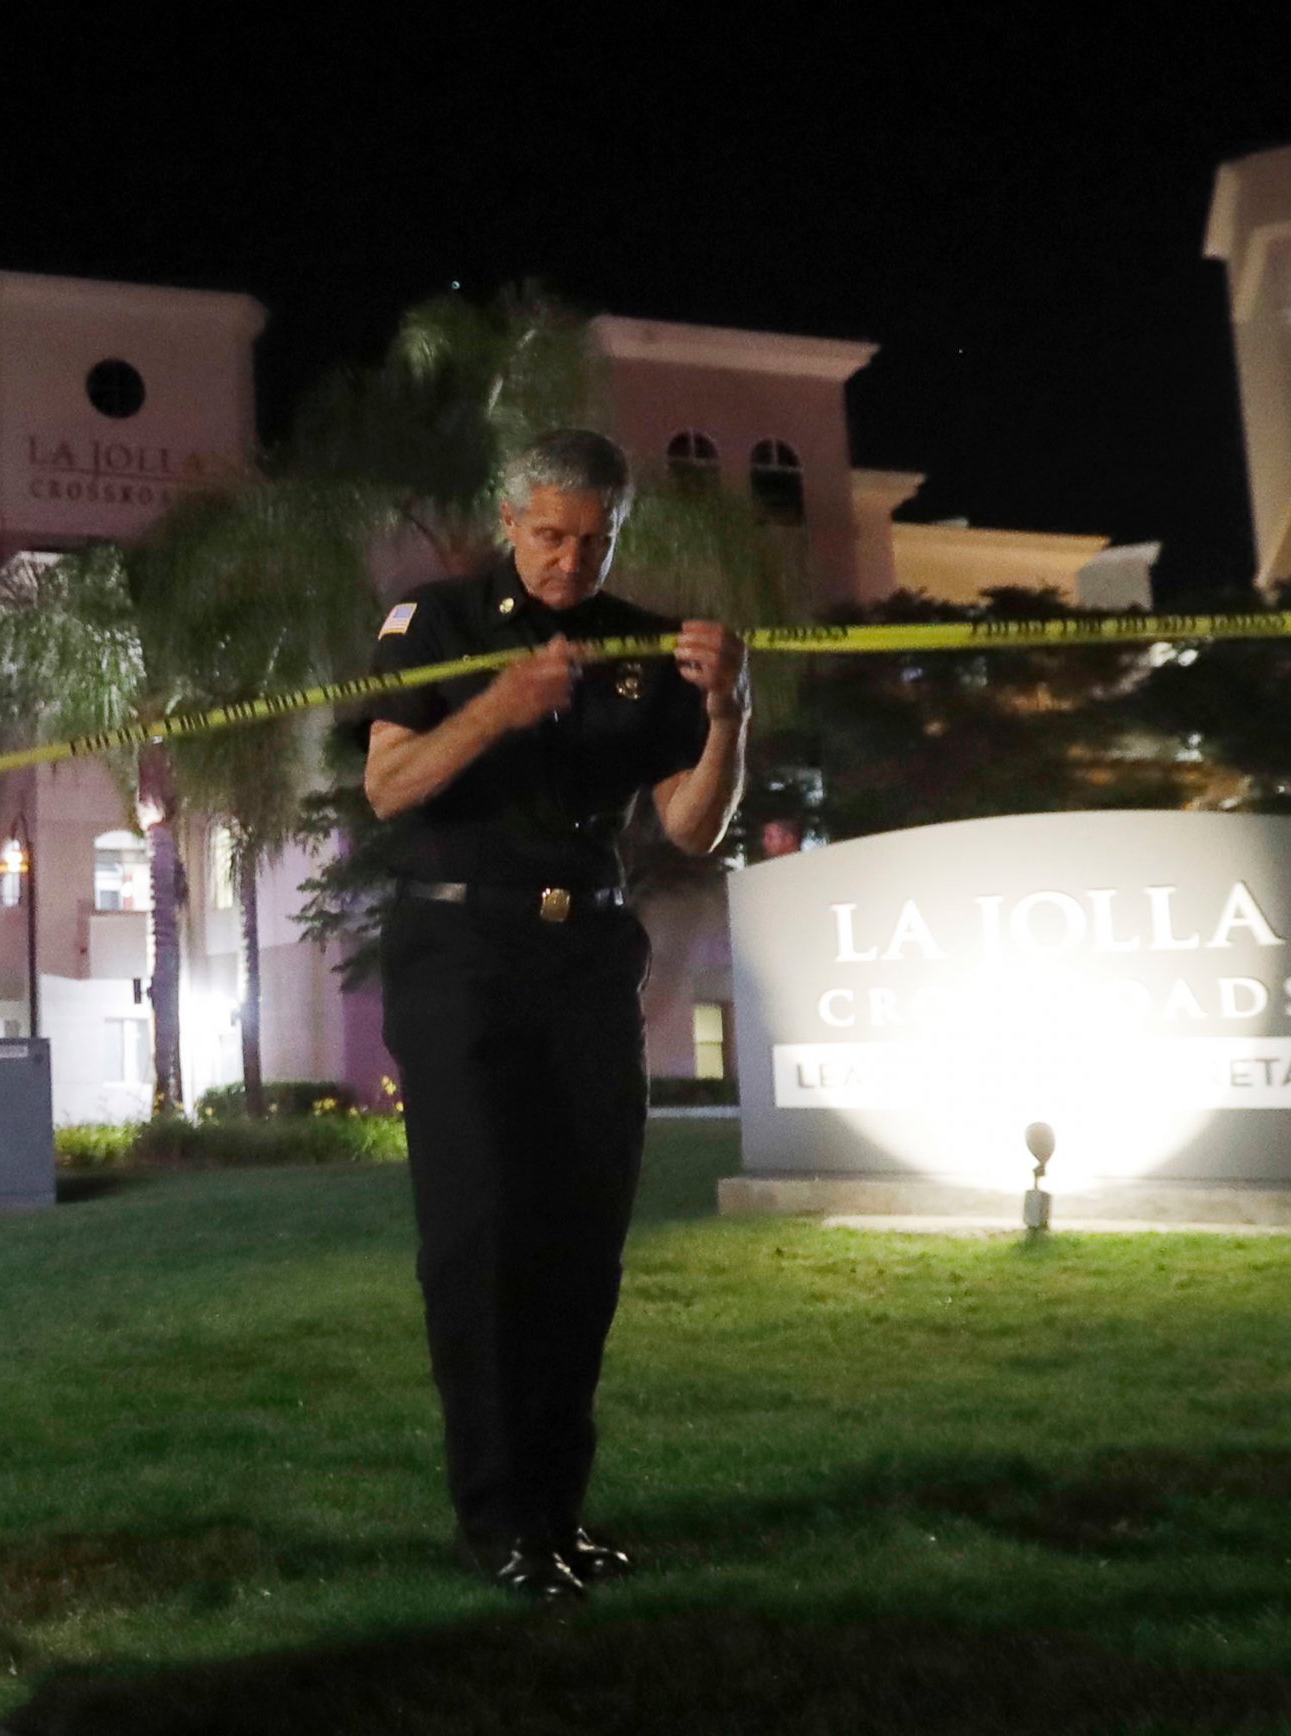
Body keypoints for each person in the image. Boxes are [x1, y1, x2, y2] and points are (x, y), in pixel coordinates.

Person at [361, 429, 749, 1604]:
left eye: (595, 538)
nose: (572, 559)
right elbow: (387, 784)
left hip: (585, 950)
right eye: (551, 535)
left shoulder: (644, 642)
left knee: (582, 1240)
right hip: (460, 950)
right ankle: (496, 1520)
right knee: (480, 1240)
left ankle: (560, 1511)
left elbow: (692, 827)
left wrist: (732, 709)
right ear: (509, 520)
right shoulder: (433, 622)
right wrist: (497, 704)